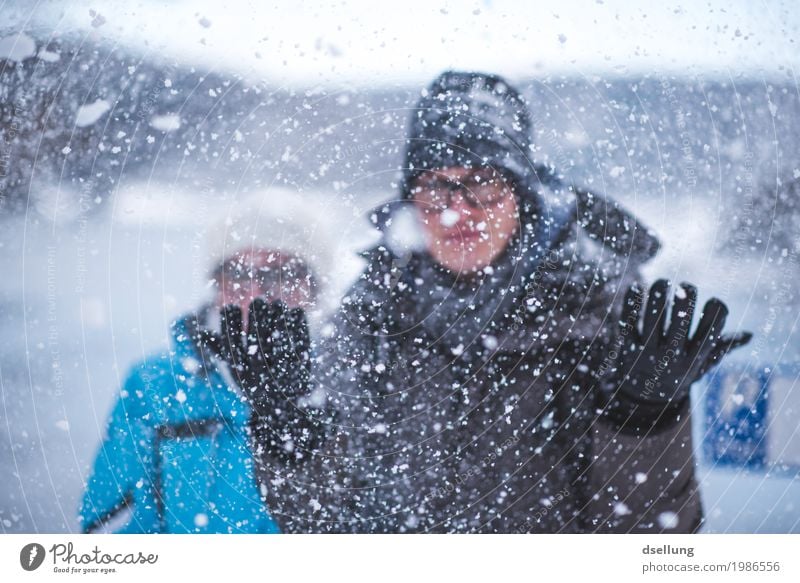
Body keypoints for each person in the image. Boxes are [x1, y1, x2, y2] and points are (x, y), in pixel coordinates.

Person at [201, 72, 751, 534]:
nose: (454, 213)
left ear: (525, 195)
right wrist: (292, 430)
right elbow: (318, 523)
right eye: (435, 187)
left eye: (482, 184)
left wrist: (644, 420)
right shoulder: (371, 315)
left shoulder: (603, 317)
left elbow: (651, 541)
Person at [78, 192, 331, 533]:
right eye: (238, 273)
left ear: (314, 286)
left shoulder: (352, 378)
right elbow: (111, 523)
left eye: (280, 273)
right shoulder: (154, 382)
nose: (255, 291)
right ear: (217, 284)